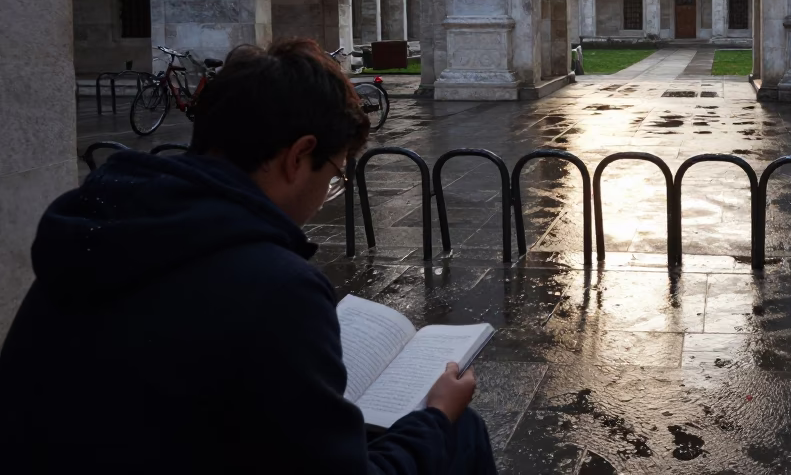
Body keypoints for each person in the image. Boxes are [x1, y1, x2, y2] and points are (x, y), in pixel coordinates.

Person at [0, 39, 498, 475]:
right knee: (460, 431)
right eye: (334, 174)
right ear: (297, 156)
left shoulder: (98, 225)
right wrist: (435, 415)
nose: (330, 190)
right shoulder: (275, 285)